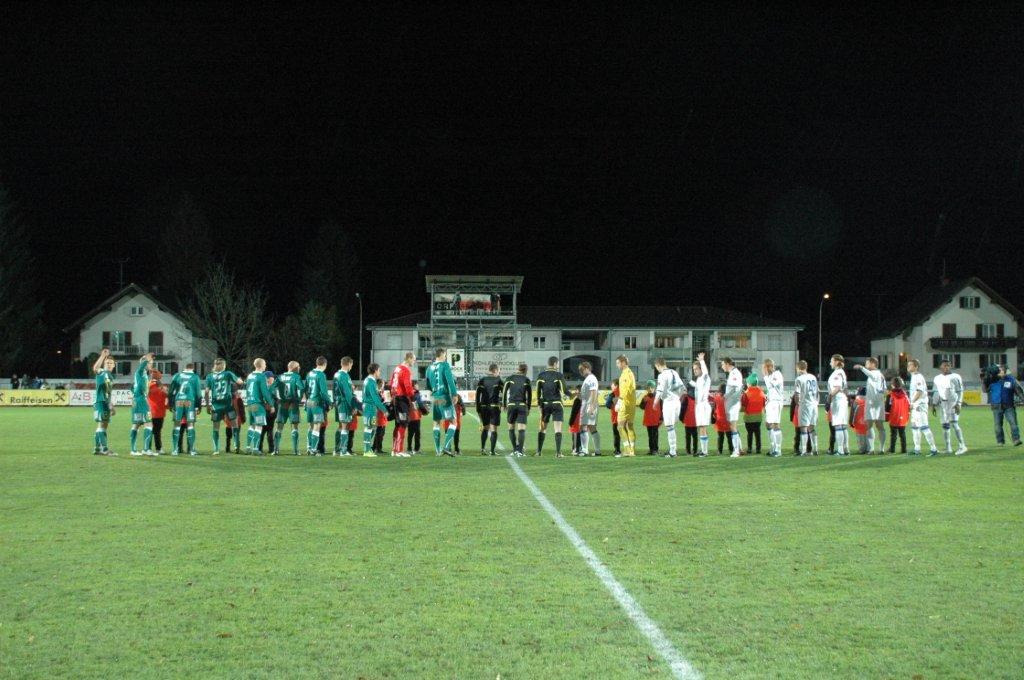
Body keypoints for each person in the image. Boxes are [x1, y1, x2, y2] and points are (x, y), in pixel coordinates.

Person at [204, 358, 244, 455]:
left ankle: (216, 450)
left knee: (216, 427)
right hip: (228, 405)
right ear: (222, 365)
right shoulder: (228, 374)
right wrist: (240, 380)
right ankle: (236, 446)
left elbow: (206, 392)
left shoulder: (209, 376)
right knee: (234, 424)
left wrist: (208, 405)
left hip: (216, 406)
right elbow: (240, 382)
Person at [425, 348, 458, 456]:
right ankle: (446, 447)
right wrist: (454, 394)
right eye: (445, 355)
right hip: (444, 396)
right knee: (453, 422)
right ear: (442, 355)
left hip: (435, 397)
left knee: (436, 422)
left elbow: (428, 385)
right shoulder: (445, 365)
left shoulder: (429, 368)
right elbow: (450, 380)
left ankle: (438, 450)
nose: (446, 357)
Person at [932, 359, 968, 455]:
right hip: (943, 404)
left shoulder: (955, 377)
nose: (946, 367)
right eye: (944, 365)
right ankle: (948, 448)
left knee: (954, 424)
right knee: (945, 426)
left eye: (948, 365)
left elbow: (960, 391)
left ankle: (962, 446)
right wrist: (934, 404)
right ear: (940, 367)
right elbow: (936, 392)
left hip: (953, 403)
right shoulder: (937, 378)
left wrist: (959, 403)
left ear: (950, 366)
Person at [853, 357, 887, 454]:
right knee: (880, 426)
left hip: (872, 403)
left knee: (869, 425)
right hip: (879, 402)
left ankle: (871, 449)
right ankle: (881, 449)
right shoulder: (881, 375)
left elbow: (870, 374)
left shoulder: (875, 373)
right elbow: (885, 389)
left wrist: (861, 367)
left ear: (873, 364)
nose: (866, 365)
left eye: (867, 363)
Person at [906, 358, 939, 456]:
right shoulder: (913, 376)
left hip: (920, 405)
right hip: (915, 405)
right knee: (915, 428)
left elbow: (919, 391)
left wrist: (911, 402)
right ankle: (917, 449)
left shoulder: (918, 377)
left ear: (916, 367)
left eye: (910, 365)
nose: (908, 366)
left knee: (924, 427)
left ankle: (933, 449)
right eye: (908, 365)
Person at [535, 356, 566, 457]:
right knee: (558, 429)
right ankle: (558, 453)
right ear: (555, 364)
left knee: (542, 428)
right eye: (558, 363)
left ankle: (539, 452)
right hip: (557, 404)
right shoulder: (559, 375)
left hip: (545, 405)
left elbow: (538, 392)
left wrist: (539, 404)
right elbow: (564, 390)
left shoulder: (541, 375)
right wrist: (572, 395)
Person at [654, 358, 685, 458]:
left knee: (670, 427)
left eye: (656, 367)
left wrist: (655, 402)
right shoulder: (674, 372)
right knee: (672, 426)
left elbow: (659, 390)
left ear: (658, 365)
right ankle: (672, 450)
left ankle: (672, 451)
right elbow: (682, 388)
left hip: (669, 402)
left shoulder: (662, 375)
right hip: (677, 402)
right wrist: (677, 397)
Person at [169, 363, 202, 455]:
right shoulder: (195, 377)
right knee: (190, 425)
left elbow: (171, 391)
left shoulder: (177, 376)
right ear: (192, 368)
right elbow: (198, 393)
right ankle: (191, 450)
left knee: (176, 425)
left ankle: (175, 450)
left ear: (184, 368)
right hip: (189, 401)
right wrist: (198, 406)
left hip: (178, 401)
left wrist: (171, 404)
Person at [244, 358, 276, 454]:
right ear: (261, 365)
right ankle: (255, 449)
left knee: (252, 426)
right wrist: (271, 405)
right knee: (259, 426)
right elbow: (265, 392)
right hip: (258, 404)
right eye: (264, 364)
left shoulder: (250, 376)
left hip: (250, 404)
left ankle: (248, 448)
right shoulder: (261, 376)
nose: (265, 366)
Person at [985, 365, 1022, 446]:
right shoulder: (992, 380)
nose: (998, 372)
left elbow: (1019, 391)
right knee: (998, 426)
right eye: (998, 370)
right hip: (996, 406)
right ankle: (1000, 441)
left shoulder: (1011, 380)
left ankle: (1016, 440)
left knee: (1013, 423)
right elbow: (985, 390)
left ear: (1005, 372)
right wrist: (985, 379)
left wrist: (1022, 398)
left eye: (1000, 370)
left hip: (1009, 406)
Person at [303, 356, 333, 456]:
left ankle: (309, 448)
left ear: (316, 363)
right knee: (317, 426)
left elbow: (305, 389)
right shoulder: (321, 375)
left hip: (309, 402)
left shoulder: (309, 373)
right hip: (317, 403)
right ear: (324, 364)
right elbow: (323, 392)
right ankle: (314, 450)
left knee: (311, 426)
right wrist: (329, 402)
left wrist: (308, 400)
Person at [274, 361, 305, 455]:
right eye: (298, 367)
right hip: (293, 404)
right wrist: (299, 399)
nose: (299, 368)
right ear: (295, 368)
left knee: (279, 427)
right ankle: (295, 451)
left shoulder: (280, 377)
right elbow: (301, 388)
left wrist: (276, 399)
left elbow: (272, 388)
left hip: (282, 404)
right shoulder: (296, 377)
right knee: (294, 427)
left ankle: (276, 450)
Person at [129, 353, 156, 456]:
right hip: (142, 401)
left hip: (137, 400)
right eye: (150, 363)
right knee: (148, 424)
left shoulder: (143, 374)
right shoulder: (140, 372)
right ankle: (146, 449)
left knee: (136, 424)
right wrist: (146, 359)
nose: (151, 364)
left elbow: (133, 387)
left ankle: (133, 450)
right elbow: (141, 367)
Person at [502, 363, 531, 457]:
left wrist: (504, 404)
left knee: (511, 428)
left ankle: (515, 450)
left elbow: (504, 391)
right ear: (525, 370)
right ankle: (520, 451)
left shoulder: (510, 378)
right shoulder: (526, 380)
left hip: (511, 405)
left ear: (518, 369)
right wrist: (528, 407)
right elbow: (529, 395)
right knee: (521, 429)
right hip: (522, 405)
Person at [389, 352, 416, 454]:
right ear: (409, 358)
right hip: (402, 399)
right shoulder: (405, 370)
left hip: (395, 398)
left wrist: (393, 396)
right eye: (413, 359)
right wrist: (413, 398)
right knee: (403, 423)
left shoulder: (397, 368)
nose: (414, 361)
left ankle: (394, 450)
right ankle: (399, 450)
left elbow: (391, 383)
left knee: (398, 424)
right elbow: (408, 386)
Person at [92, 349, 117, 455]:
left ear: (114, 365)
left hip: (103, 402)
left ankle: (97, 448)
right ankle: (105, 449)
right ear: (104, 364)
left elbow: (108, 392)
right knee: (103, 425)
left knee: (101, 425)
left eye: (111, 363)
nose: (109, 364)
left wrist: (110, 404)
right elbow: (95, 368)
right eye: (107, 363)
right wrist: (102, 356)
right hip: (101, 402)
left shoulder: (110, 376)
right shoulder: (102, 372)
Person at [476, 363, 504, 456]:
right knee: (494, 429)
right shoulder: (499, 380)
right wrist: (503, 404)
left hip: (484, 407)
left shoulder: (482, 380)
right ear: (495, 370)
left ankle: (483, 449)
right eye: (499, 371)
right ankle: (492, 451)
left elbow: (477, 395)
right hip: (494, 407)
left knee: (485, 428)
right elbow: (504, 393)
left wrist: (478, 409)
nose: (499, 372)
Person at [793, 360, 819, 456]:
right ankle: (815, 449)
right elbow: (817, 392)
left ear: (798, 368)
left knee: (803, 428)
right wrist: (816, 402)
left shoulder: (799, 379)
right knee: (812, 428)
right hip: (814, 405)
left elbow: (797, 394)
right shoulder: (813, 377)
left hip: (805, 404)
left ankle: (804, 451)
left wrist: (797, 403)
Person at [361, 363, 387, 457]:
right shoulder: (371, 382)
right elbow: (375, 398)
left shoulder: (367, 380)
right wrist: (384, 410)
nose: (380, 372)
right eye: (379, 370)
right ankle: (367, 450)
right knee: (369, 428)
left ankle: (368, 449)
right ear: (375, 371)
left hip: (368, 407)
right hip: (370, 407)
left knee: (370, 428)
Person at [720, 357, 745, 457]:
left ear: (727, 364)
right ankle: (740, 449)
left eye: (722, 364)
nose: (722, 367)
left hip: (733, 403)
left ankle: (736, 451)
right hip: (732, 402)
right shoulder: (733, 373)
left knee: (733, 427)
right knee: (733, 426)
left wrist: (726, 396)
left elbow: (735, 389)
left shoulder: (735, 373)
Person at [333, 357, 357, 456]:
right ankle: (343, 451)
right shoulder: (344, 375)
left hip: (338, 402)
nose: (351, 367)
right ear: (349, 364)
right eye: (351, 365)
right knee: (345, 426)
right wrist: (353, 406)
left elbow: (335, 390)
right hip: (344, 403)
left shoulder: (336, 374)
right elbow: (347, 393)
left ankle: (337, 450)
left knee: (340, 426)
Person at [827, 354, 850, 456]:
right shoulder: (842, 372)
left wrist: (829, 397)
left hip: (838, 400)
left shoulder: (837, 373)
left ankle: (840, 450)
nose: (830, 363)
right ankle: (846, 448)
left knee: (838, 425)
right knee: (843, 426)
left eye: (831, 361)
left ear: (836, 362)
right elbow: (846, 389)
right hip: (842, 400)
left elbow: (837, 387)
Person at [761, 358, 785, 457]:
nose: (763, 370)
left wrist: (765, 376)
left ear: (769, 366)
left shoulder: (777, 374)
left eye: (764, 367)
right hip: (770, 402)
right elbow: (769, 390)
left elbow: (771, 386)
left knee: (775, 424)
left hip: (776, 402)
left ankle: (778, 450)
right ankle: (773, 447)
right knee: (768, 424)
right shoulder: (769, 376)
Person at [615, 355, 637, 456]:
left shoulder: (626, 374)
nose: (617, 365)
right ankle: (632, 450)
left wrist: (619, 401)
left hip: (625, 403)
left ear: (623, 362)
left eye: (618, 363)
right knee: (629, 426)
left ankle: (627, 450)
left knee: (620, 426)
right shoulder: (630, 373)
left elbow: (626, 389)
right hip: (631, 403)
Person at [690, 352, 712, 457]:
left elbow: (706, 372)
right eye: (693, 369)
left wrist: (702, 361)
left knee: (702, 427)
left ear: (701, 369)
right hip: (699, 406)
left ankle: (704, 451)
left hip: (703, 405)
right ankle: (703, 450)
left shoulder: (704, 377)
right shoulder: (699, 379)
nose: (694, 371)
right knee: (701, 428)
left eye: (696, 369)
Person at [577, 361, 601, 456]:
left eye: (582, 370)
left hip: (588, 405)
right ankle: (597, 451)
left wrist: (591, 406)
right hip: (588, 404)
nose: (580, 372)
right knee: (592, 427)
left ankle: (584, 450)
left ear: (587, 368)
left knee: (583, 426)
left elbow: (594, 392)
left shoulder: (591, 378)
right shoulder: (589, 378)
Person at [741, 373, 765, 455]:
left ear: (750, 383)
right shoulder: (761, 392)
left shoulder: (746, 393)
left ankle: (749, 449)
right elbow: (764, 403)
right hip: (758, 417)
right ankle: (758, 449)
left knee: (750, 434)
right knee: (757, 433)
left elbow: (743, 407)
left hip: (749, 417)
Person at [886, 377, 910, 453]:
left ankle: (892, 449)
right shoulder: (905, 394)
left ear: (893, 385)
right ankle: (904, 449)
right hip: (903, 416)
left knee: (893, 434)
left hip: (893, 416)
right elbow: (909, 405)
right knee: (902, 434)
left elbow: (887, 407)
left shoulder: (890, 395)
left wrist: (886, 416)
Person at [147, 369, 168, 454]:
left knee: (149, 430)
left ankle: (147, 448)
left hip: (149, 411)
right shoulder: (162, 388)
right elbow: (167, 396)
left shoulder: (148, 386)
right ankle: (158, 448)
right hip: (159, 412)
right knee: (157, 431)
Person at [639, 379, 662, 455]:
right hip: (648, 419)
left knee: (655, 435)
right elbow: (641, 407)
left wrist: (661, 418)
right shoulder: (645, 397)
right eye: (648, 387)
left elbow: (662, 408)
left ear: (654, 388)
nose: (650, 389)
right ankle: (651, 449)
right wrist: (644, 402)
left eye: (651, 387)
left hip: (656, 419)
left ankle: (655, 449)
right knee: (650, 435)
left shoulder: (658, 397)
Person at [260, 371, 279, 453]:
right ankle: (271, 448)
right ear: (268, 379)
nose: (273, 379)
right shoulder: (271, 387)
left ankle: (260, 448)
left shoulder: (262, 386)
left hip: (265, 410)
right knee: (269, 430)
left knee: (264, 430)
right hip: (269, 411)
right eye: (272, 378)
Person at [712, 386, 732, 454]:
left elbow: (714, 408)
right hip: (727, 419)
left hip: (719, 419)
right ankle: (731, 450)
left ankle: (719, 451)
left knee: (720, 436)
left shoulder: (716, 398)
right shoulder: (729, 398)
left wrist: (713, 416)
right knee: (729, 436)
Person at [407, 381, 425, 454]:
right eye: (417, 385)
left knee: (410, 433)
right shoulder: (416, 393)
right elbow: (420, 403)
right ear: (414, 386)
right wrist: (424, 411)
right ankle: (417, 449)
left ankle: (409, 448)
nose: (418, 386)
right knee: (417, 433)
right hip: (416, 415)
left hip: (409, 416)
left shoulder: (407, 393)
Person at [852, 387, 868, 453]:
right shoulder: (869, 400)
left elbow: (853, 411)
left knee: (860, 436)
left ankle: (862, 449)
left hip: (858, 421)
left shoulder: (857, 400)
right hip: (867, 421)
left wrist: (851, 422)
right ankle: (868, 448)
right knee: (867, 435)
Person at [682, 386, 697, 455]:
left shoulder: (686, 398)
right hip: (695, 421)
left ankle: (688, 451)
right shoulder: (696, 398)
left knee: (688, 437)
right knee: (695, 436)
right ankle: (695, 450)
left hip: (688, 420)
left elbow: (682, 409)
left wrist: (681, 418)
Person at [608, 380, 621, 455]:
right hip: (624, 417)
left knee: (616, 435)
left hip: (615, 418)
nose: (611, 386)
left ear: (616, 385)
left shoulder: (613, 394)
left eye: (612, 385)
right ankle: (629, 449)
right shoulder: (623, 392)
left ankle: (617, 450)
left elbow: (608, 404)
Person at [568, 388, 582, 454]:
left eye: (577, 391)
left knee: (575, 434)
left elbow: (574, 412)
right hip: (582, 420)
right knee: (580, 434)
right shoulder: (584, 400)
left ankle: (575, 449)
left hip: (576, 420)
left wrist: (571, 421)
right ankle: (580, 448)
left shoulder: (577, 400)